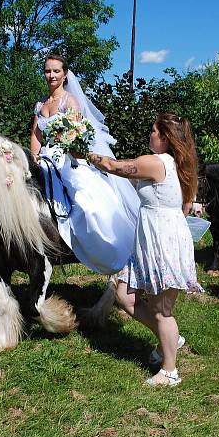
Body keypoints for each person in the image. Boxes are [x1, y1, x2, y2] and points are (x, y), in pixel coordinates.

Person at [87, 113, 203, 387]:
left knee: (163, 310)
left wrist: (86, 153)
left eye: (153, 131)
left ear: (165, 137)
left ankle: (170, 371)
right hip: (154, 237)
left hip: (162, 240)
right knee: (124, 294)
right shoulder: (176, 165)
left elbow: (113, 166)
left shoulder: (156, 162)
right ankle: (170, 339)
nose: (149, 135)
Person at [30, 54, 140, 274]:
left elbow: (74, 136)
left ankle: (98, 247)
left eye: (55, 71)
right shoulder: (41, 104)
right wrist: (34, 155)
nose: (51, 75)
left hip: (66, 157)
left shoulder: (69, 101)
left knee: (85, 203)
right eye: (47, 71)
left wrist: (59, 150)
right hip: (44, 157)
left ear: (64, 74)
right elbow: (36, 133)